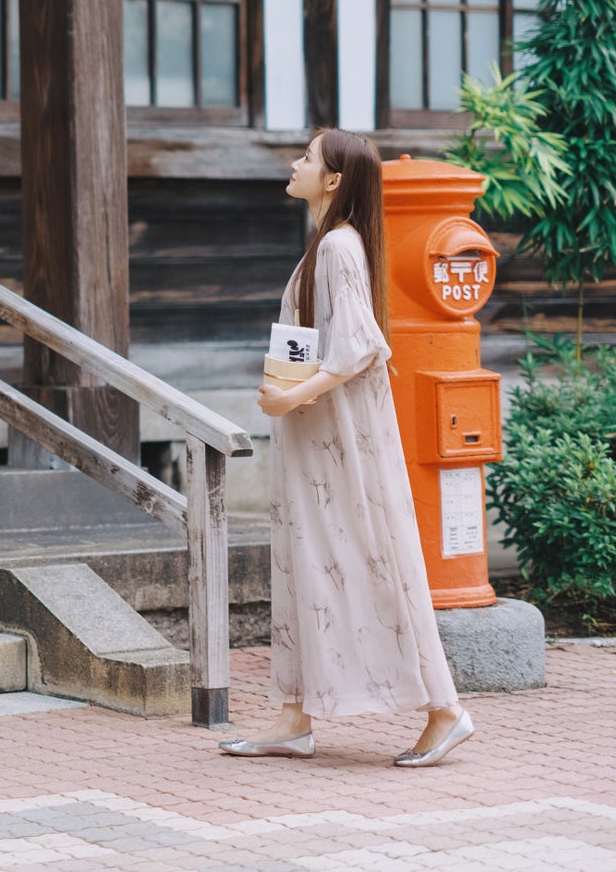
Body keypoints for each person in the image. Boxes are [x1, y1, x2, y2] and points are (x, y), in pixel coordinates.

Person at [219, 129, 474, 767]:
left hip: (336, 443)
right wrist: (291, 394)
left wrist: (288, 395)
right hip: (319, 436)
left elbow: (360, 346)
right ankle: (292, 716)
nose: (295, 163)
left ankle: (444, 710)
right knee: (310, 562)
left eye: (307, 157)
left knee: (370, 562)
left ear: (333, 179)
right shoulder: (331, 243)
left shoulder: (337, 245)